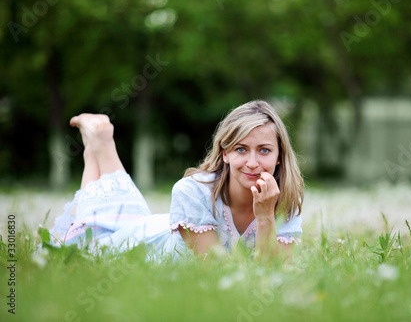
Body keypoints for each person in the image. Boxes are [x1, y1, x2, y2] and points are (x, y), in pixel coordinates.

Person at [49, 100, 304, 261]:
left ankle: (100, 142)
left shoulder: (287, 200)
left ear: (280, 156)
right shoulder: (192, 191)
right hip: (140, 245)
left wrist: (265, 215)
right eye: (240, 149)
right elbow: (218, 271)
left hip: (153, 225)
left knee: (122, 209)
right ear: (224, 153)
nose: (252, 162)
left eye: (264, 150)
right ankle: (94, 146)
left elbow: (270, 275)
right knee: (84, 244)